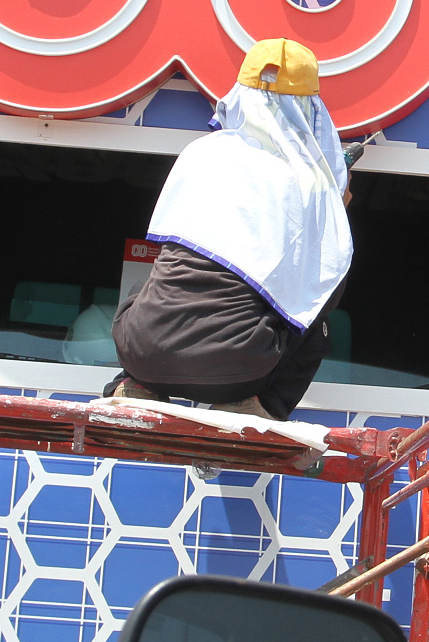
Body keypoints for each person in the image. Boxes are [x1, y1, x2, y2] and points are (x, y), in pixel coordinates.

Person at [110, 40, 352, 421]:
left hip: (141, 353)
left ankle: (135, 385)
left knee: (149, 291)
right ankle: (258, 409)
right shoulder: (310, 184)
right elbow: (322, 292)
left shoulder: (200, 152)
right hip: (235, 374)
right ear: (309, 108)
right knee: (315, 321)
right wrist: (337, 204)